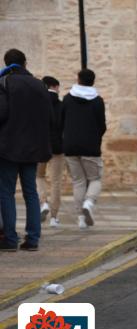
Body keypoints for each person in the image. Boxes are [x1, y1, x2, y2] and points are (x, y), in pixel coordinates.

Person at [0, 49, 52, 251]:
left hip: (8, 147)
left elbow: (1, 113)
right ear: (25, 63)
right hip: (33, 148)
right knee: (30, 192)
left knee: (6, 192)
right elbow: (50, 118)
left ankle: (10, 239)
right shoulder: (39, 85)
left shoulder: (4, 82)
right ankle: (33, 239)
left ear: (7, 63)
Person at [62, 69, 106, 229]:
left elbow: (61, 122)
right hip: (91, 146)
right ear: (93, 81)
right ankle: (89, 202)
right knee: (95, 178)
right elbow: (102, 125)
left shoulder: (67, 99)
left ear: (78, 79)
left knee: (78, 181)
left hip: (70, 146)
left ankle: (81, 218)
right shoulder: (97, 101)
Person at [37, 76, 64, 228]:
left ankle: (43, 203)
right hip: (58, 148)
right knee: (56, 181)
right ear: (55, 86)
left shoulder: (38, 104)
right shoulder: (61, 105)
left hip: (41, 146)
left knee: (39, 176)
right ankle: (54, 217)